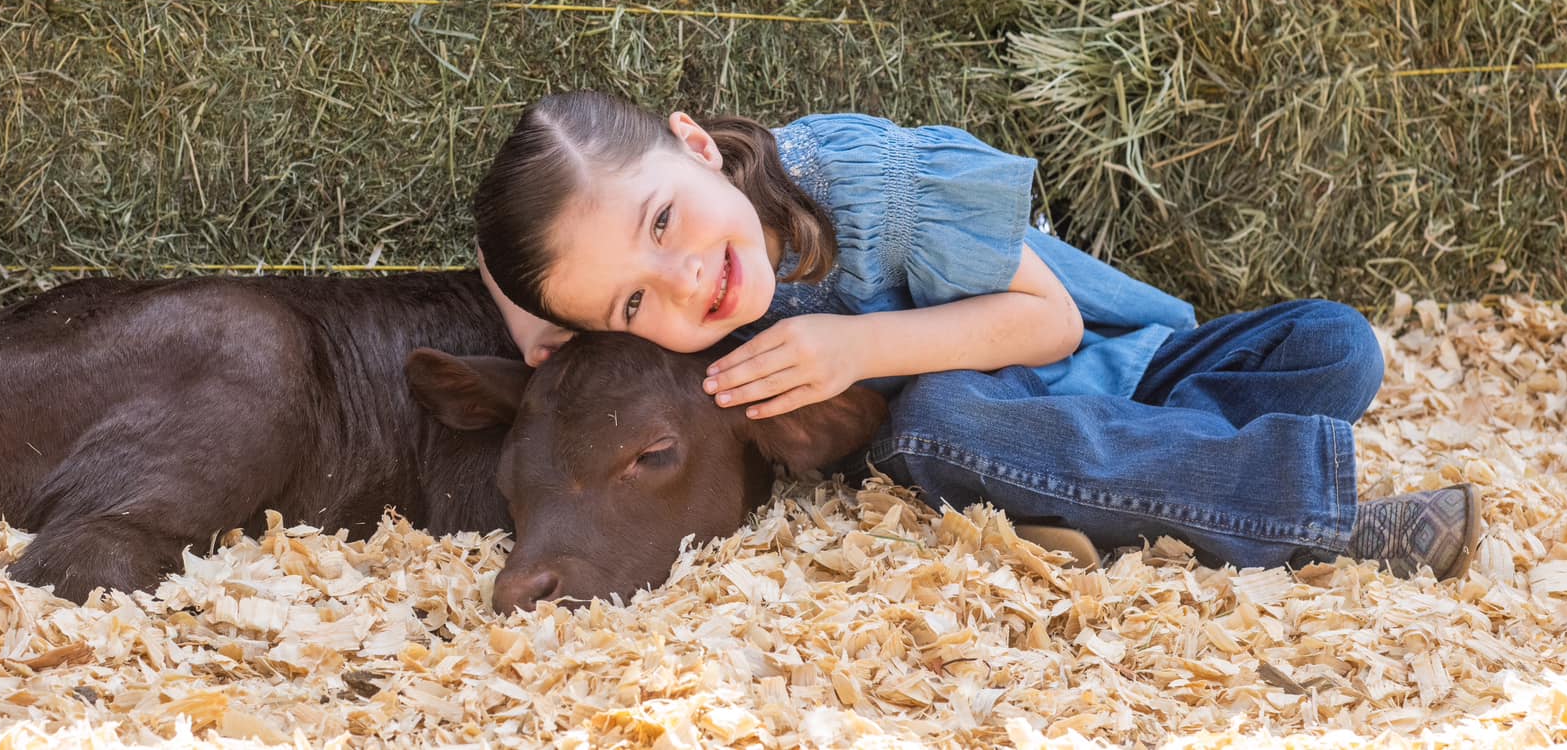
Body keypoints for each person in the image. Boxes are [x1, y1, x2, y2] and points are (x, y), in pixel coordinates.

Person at [471, 89, 1482, 580]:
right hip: (979, 423)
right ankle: (1312, 516)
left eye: (663, 222)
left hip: (1124, 363)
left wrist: (856, 351)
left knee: (1337, 344)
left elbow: (1047, 323)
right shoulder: (677, 302)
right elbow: (504, 252)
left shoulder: (863, 181)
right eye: (630, 306)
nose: (684, 278)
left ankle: (1136, 472)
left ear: (696, 146)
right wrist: (532, 321)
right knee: (934, 423)